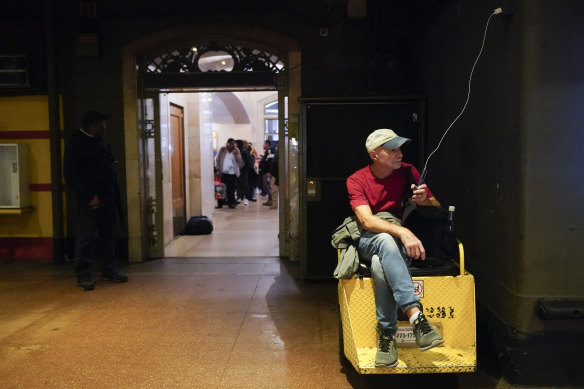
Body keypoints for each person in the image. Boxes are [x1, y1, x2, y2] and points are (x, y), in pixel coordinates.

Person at [346, 128, 444, 367]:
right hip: (371, 239)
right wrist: (403, 230)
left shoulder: (409, 172)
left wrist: (425, 201)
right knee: (385, 241)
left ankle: (387, 337)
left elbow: (438, 207)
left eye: (400, 148)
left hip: (396, 247)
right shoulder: (356, 180)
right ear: (374, 155)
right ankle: (416, 316)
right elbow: (367, 222)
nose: (399, 154)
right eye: (392, 150)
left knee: (381, 265)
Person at [64, 110, 128, 291]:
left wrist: (111, 165)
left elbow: (102, 164)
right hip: (89, 200)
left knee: (107, 235)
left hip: (107, 197)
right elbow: (70, 175)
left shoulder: (99, 143)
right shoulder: (76, 144)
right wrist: (89, 196)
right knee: (85, 237)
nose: (105, 126)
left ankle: (109, 269)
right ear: (93, 126)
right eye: (102, 123)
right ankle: (83, 274)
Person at [215, 138, 244, 209]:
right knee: (220, 189)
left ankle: (231, 203)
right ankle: (220, 204)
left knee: (231, 189)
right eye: (230, 144)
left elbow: (240, 162)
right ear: (227, 144)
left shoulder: (236, 150)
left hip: (232, 173)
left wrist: (237, 155)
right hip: (223, 173)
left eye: (233, 144)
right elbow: (217, 159)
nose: (231, 145)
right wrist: (218, 169)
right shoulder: (222, 149)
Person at [259, 140, 274, 206]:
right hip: (265, 172)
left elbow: (271, 161)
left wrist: (269, 171)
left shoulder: (270, 150)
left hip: (267, 173)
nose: (263, 145)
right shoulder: (267, 152)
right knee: (266, 186)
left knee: (267, 186)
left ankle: (271, 200)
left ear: (267, 144)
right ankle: (269, 200)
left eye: (264, 144)